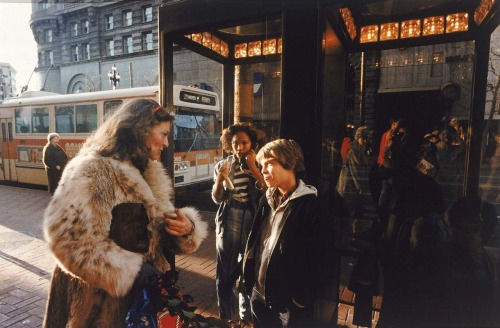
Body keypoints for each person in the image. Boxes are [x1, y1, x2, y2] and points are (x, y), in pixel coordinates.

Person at [42, 99, 209, 328]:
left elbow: (159, 225)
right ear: (141, 130)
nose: (167, 143)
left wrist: (185, 228)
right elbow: (68, 240)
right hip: (96, 305)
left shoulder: (148, 170)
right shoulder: (93, 169)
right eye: (163, 134)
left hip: (141, 301)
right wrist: (131, 270)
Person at [241, 139, 338, 327]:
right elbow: (255, 243)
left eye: (269, 163)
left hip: (287, 305)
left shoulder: (312, 207)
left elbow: (323, 259)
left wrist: (300, 298)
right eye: (262, 165)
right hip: (259, 296)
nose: (263, 171)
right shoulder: (266, 200)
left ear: (291, 163)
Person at [212, 123, 267, 327]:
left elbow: (267, 194)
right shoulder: (224, 164)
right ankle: (227, 317)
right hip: (230, 216)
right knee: (225, 268)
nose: (240, 147)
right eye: (235, 143)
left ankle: (246, 318)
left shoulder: (260, 164)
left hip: (253, 218)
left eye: (244, 143)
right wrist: (219, 180)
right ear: (229, 144)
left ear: (252, 143)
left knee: (248, 268)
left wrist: (254, 169)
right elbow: (217, 199)